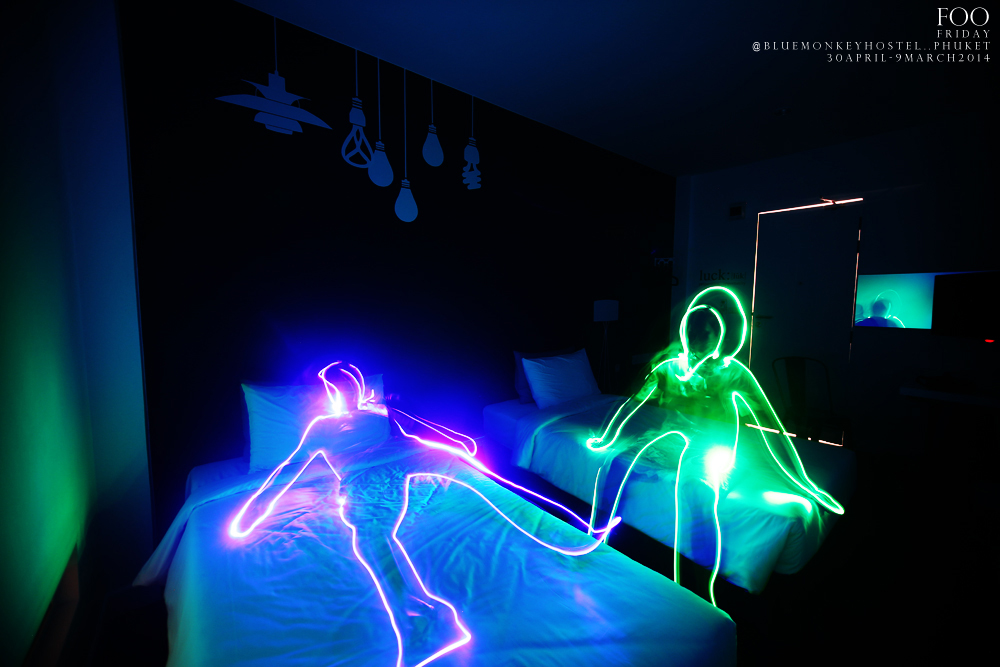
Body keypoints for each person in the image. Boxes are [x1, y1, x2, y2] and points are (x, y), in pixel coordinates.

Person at [230, 362, 614, 667]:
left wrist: (455, 444)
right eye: (339, 385)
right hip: (369, 478)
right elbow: (288, 469)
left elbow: (419, 429)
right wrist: (257, 509)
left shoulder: (379, 412)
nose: (346, 390)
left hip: (403, 463)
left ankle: (567, 537)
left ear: (357, 385)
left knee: (478, 485)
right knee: (373, 537)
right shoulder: (323, 427)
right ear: (331, 391)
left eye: (350, 383)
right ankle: (419, 614)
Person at [584, 287, 844, 604]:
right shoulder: (669, 369)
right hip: (664, 444)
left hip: (710, 449)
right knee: (614, 465)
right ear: (685, 336)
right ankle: (596, 538)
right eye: (693, 337)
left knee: (699, 492)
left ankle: (703, 587)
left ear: (719, 338)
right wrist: (607, 438)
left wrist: (802, 480)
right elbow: (631, 404)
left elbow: (772, 424)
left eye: (706, 337)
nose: (698, 346)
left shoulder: (733, 373)